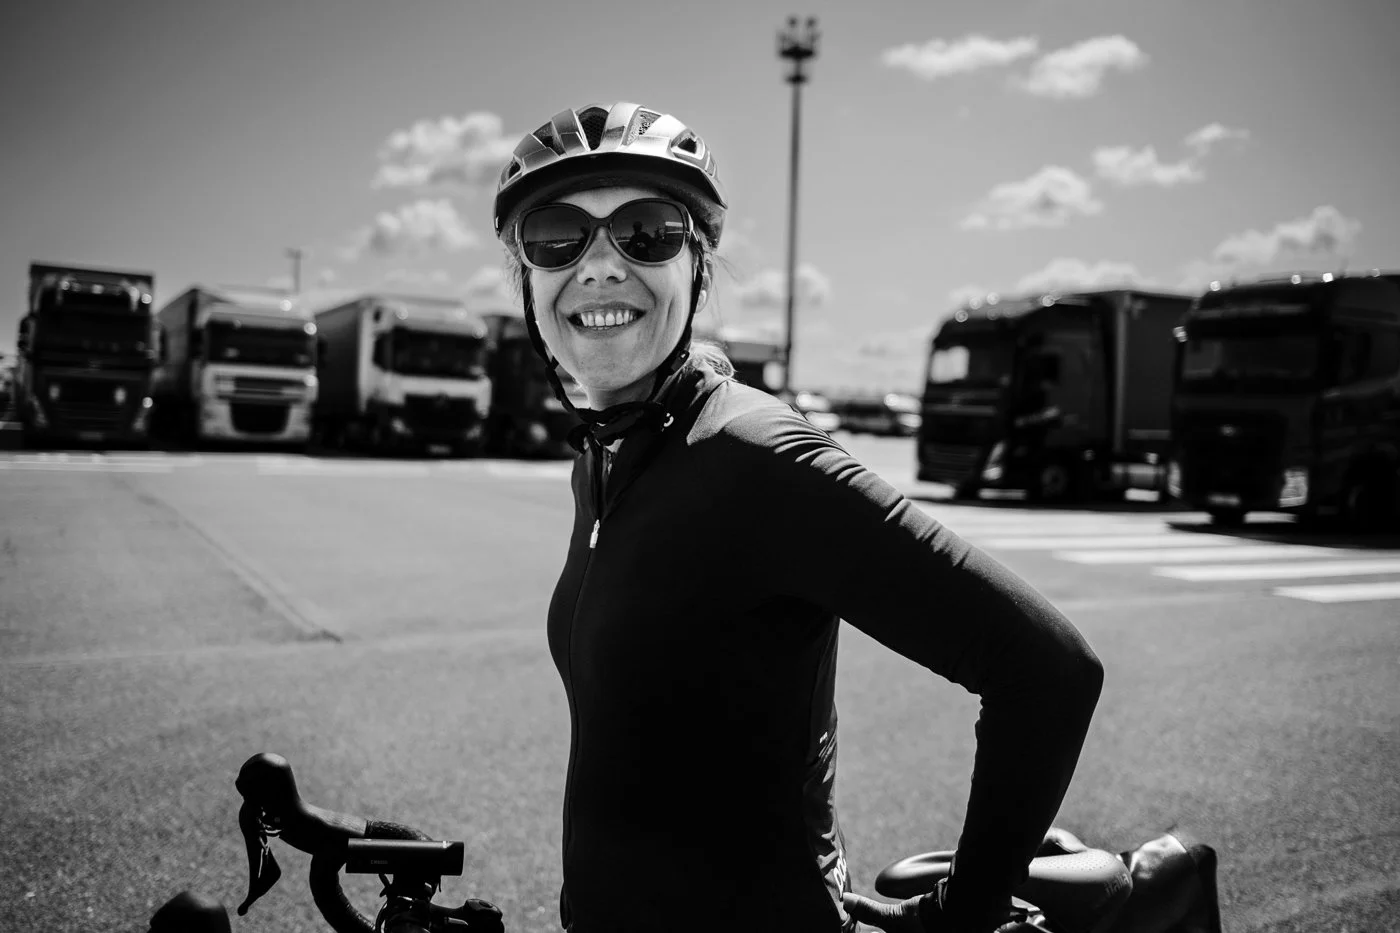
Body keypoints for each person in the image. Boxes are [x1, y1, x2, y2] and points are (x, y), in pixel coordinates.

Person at [491, 102, 1103, 933]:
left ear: (698, 270)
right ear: (528, 281)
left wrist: (966, 914)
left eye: (646, 231)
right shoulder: (604, 457)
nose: (600, 265)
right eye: (557, 236)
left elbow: (1047, 670)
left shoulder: (754, 455)